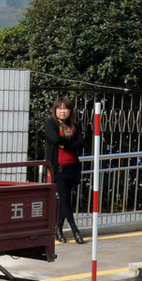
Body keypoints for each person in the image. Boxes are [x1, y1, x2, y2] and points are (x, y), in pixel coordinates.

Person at [44, 96, 85, 244]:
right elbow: (54, 139)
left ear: (70, 111)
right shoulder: (51, 124)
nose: (63, 111)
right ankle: (75, 230)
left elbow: (81, 142)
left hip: (72, 167)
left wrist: (66, 144)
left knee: (65, 198)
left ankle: (58, 230)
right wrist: (71, 143)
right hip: (58, 168)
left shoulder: (74, 125)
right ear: (55, 110)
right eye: (60, 108)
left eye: (66, 108)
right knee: (65, 199)